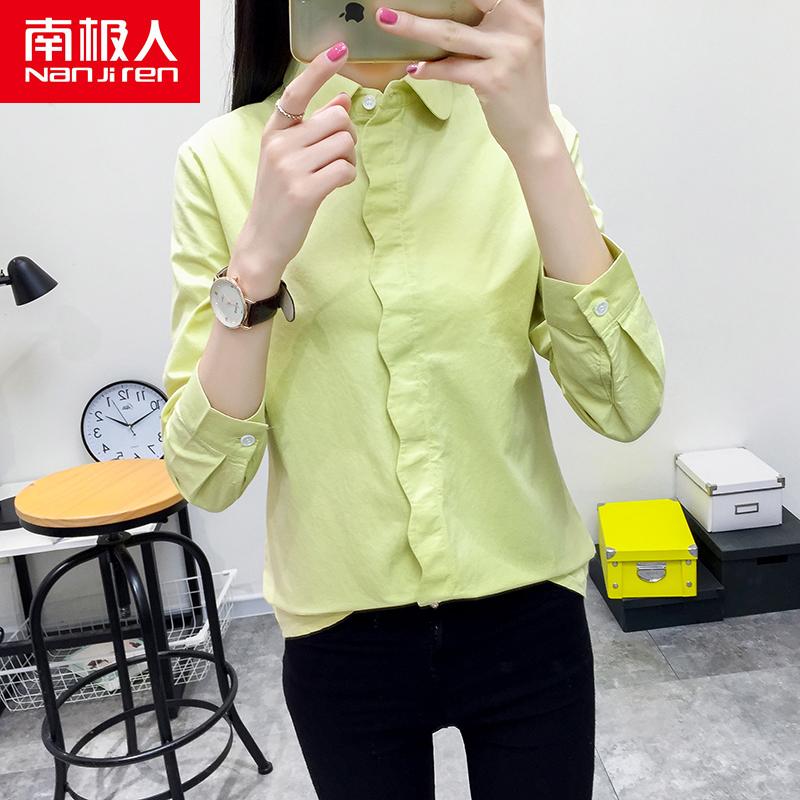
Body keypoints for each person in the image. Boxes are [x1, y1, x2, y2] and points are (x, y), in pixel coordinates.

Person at [161, 1, 666, 798]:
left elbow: (625, 403)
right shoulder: (224, 161)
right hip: (340, 633)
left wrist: (536, 145)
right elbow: (205, 477)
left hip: (527, 610)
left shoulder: (521, 136)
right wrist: (256, 262)